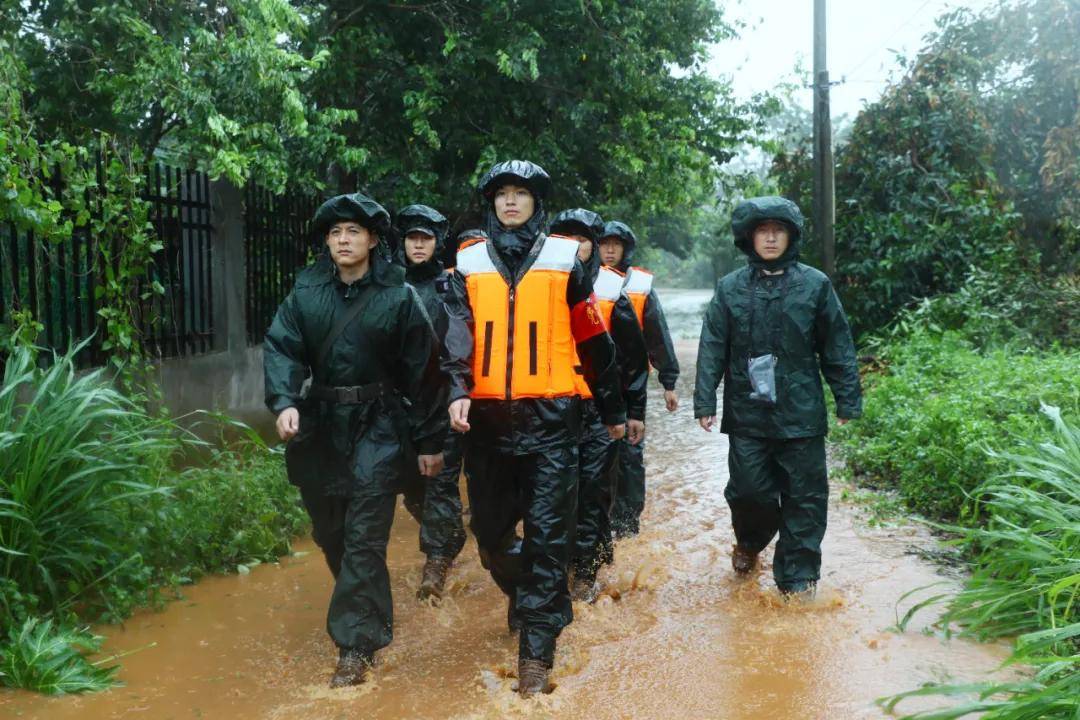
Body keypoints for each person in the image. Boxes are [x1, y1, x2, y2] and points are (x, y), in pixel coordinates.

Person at [441, 160, 626, 696]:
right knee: (493, 538)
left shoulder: (565, 260)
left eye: (521, 194)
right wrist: (456, 390)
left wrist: (613, 411)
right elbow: (457, 336)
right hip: (489, 427)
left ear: (536, 203)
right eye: (503, 195)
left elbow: (594, 340)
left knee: (548, 543)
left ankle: (536, 656)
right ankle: (523, 598)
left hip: (552, 426)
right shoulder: (468, 262)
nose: (512, 202)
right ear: (491, 204)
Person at [263, 192, 447, 687]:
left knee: (365, 540)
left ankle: (355, 648)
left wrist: (430, 442)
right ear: (327, 241)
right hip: (322, 426)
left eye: (353, 232)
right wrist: (284, 403)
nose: (344, 240)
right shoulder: (306, 293)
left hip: (380, 427)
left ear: (371, 240)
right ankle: (368, 614)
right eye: (335, 232)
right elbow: (281, 347)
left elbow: (425, 372)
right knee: (333, 536)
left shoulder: (398, 296)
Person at [693, 196, 862, 599]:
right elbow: (713, 344)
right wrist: (705, 401)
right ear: (749, 237)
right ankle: (750, 542)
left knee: (805, 497)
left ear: (790, 236)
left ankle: (798, 580)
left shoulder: (816, 285)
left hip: (801, 411)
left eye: (778, 230)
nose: (770, 238)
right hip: (747, 413)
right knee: (749, 492)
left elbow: (837, 344)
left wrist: (847, 399)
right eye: (762, 230)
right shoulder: (730, 288)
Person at [548, 208, 648, 602]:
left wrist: (632, 411)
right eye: (566, 236)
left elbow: (634, 358)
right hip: (552, 410)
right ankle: (575, 559)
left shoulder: (609, 291)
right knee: (556, 494)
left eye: (583, 238)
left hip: (599, 410)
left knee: (591, 493)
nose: (576, 245)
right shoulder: (537, 284)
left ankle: (585, 574)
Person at [393, 204, 467, 601]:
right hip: (403, 404)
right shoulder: (388, 285)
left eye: (425, 238)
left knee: (440, 482)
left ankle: (436, 561)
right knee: (412, 487)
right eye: (411, 238)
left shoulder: (452, 285)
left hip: (443, 398)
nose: (418, 245)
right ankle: (450, 534)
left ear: (437, 243)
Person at [597, 221, 680, 537]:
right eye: (604, 243)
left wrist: (668, 382)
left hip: (630, 384)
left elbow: (658, 337)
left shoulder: (641, 286)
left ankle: (627, 524)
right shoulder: (580, 280)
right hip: (589, 385)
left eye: (616, 244)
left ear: (625, 248)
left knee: (630, 455)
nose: (609, 250)